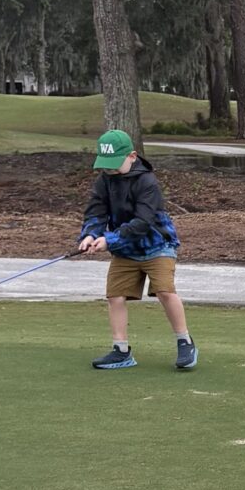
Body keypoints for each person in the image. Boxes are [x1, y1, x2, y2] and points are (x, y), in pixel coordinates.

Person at [75, 129, 195, 371]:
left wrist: (109, 240)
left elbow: (143, 222)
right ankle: (121, 351)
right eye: (105, 164)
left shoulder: (147, 182)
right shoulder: (104, 181)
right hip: (125, 249)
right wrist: (91, 235)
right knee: (115, 296)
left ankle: (185, 342)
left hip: (157, 245)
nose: (109, 170)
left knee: (164, 291)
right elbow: (96, 212)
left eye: (114, 164)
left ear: (132, 156)